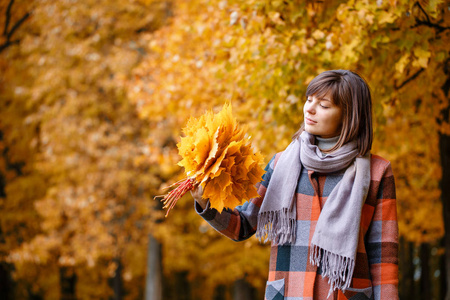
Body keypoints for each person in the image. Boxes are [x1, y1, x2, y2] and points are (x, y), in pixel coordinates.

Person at [191, 70, 399, 300]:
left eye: (324, 105)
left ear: (349, 115)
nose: (309, 109)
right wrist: (204, 202)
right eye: (309, 100)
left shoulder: (377, 172)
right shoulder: (281, 163)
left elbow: (384, 258)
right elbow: (242, 225)